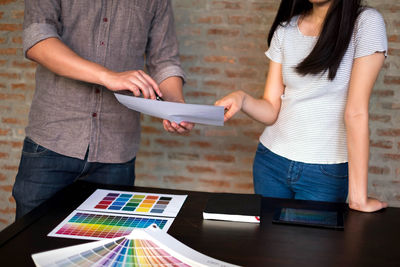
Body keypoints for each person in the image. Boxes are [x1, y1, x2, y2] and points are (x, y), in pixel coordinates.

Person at [12, 0, 194, 219]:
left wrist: (175, 105)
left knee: (108, 249)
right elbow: (37, 39)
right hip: (51, 144)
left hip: (116, 153)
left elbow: (164, 60)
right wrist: (107, 76)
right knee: (28, 245)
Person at [215, 0, 388, 212]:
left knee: (309, 245)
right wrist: (242, 99)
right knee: (269, 243)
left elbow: (356, 112)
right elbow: (271, 108)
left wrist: (358, 198)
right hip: (270, 162)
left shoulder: (366, 23)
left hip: (325, 173)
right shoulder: (285, 29)